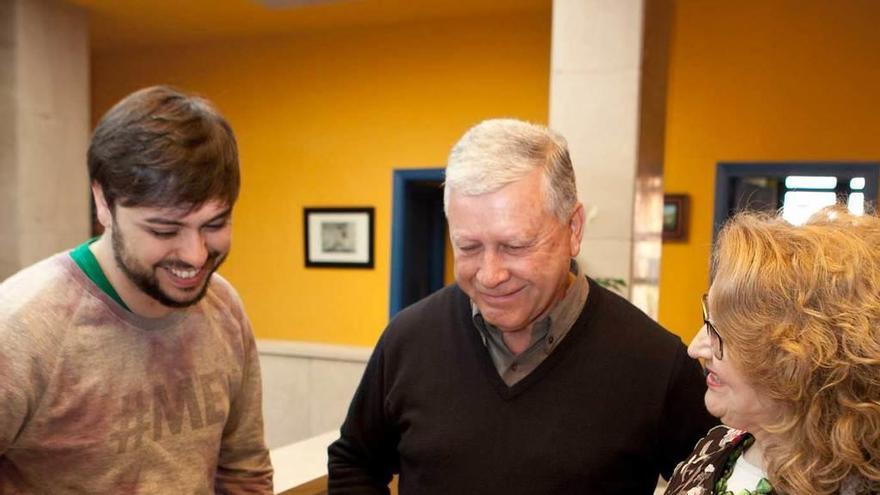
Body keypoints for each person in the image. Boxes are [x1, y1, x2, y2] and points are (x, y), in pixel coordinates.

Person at [328, 118, 716, 494]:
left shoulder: (654, 362)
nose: (490, 275)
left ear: (573, 229)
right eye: (468, 247)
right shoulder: (409, 338)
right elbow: (354, 462)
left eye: (515, 246)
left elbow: (724, 480)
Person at [0, 86, 273, 493]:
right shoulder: (22, 328)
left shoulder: (224, 307)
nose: (196, 256)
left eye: (214, 225)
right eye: (165, 229)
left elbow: (244, 471)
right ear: (103, 203)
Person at [665, 207, 880, 495]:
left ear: (801, 359)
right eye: (708, 319)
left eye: (720, 332)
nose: (695, 348)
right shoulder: (714, 450)